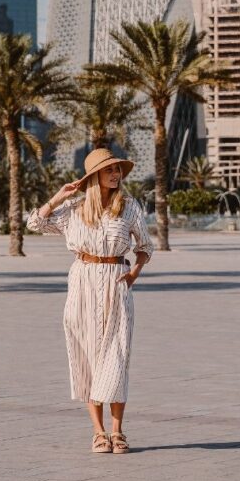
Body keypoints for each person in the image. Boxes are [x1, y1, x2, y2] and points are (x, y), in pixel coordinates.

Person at [28, 147, 151, 454]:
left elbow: (145, 245)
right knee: (88, 358)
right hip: (82, 283)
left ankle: (118, 430)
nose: (116, 174)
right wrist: (58, 197)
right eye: (109, 170)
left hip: (116, 283)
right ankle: (98, 433)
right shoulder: (74, 210)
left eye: (118, 170)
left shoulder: (130, 207)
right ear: (94, 176)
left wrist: (135, 271)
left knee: (117, 358)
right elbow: (35, 224)